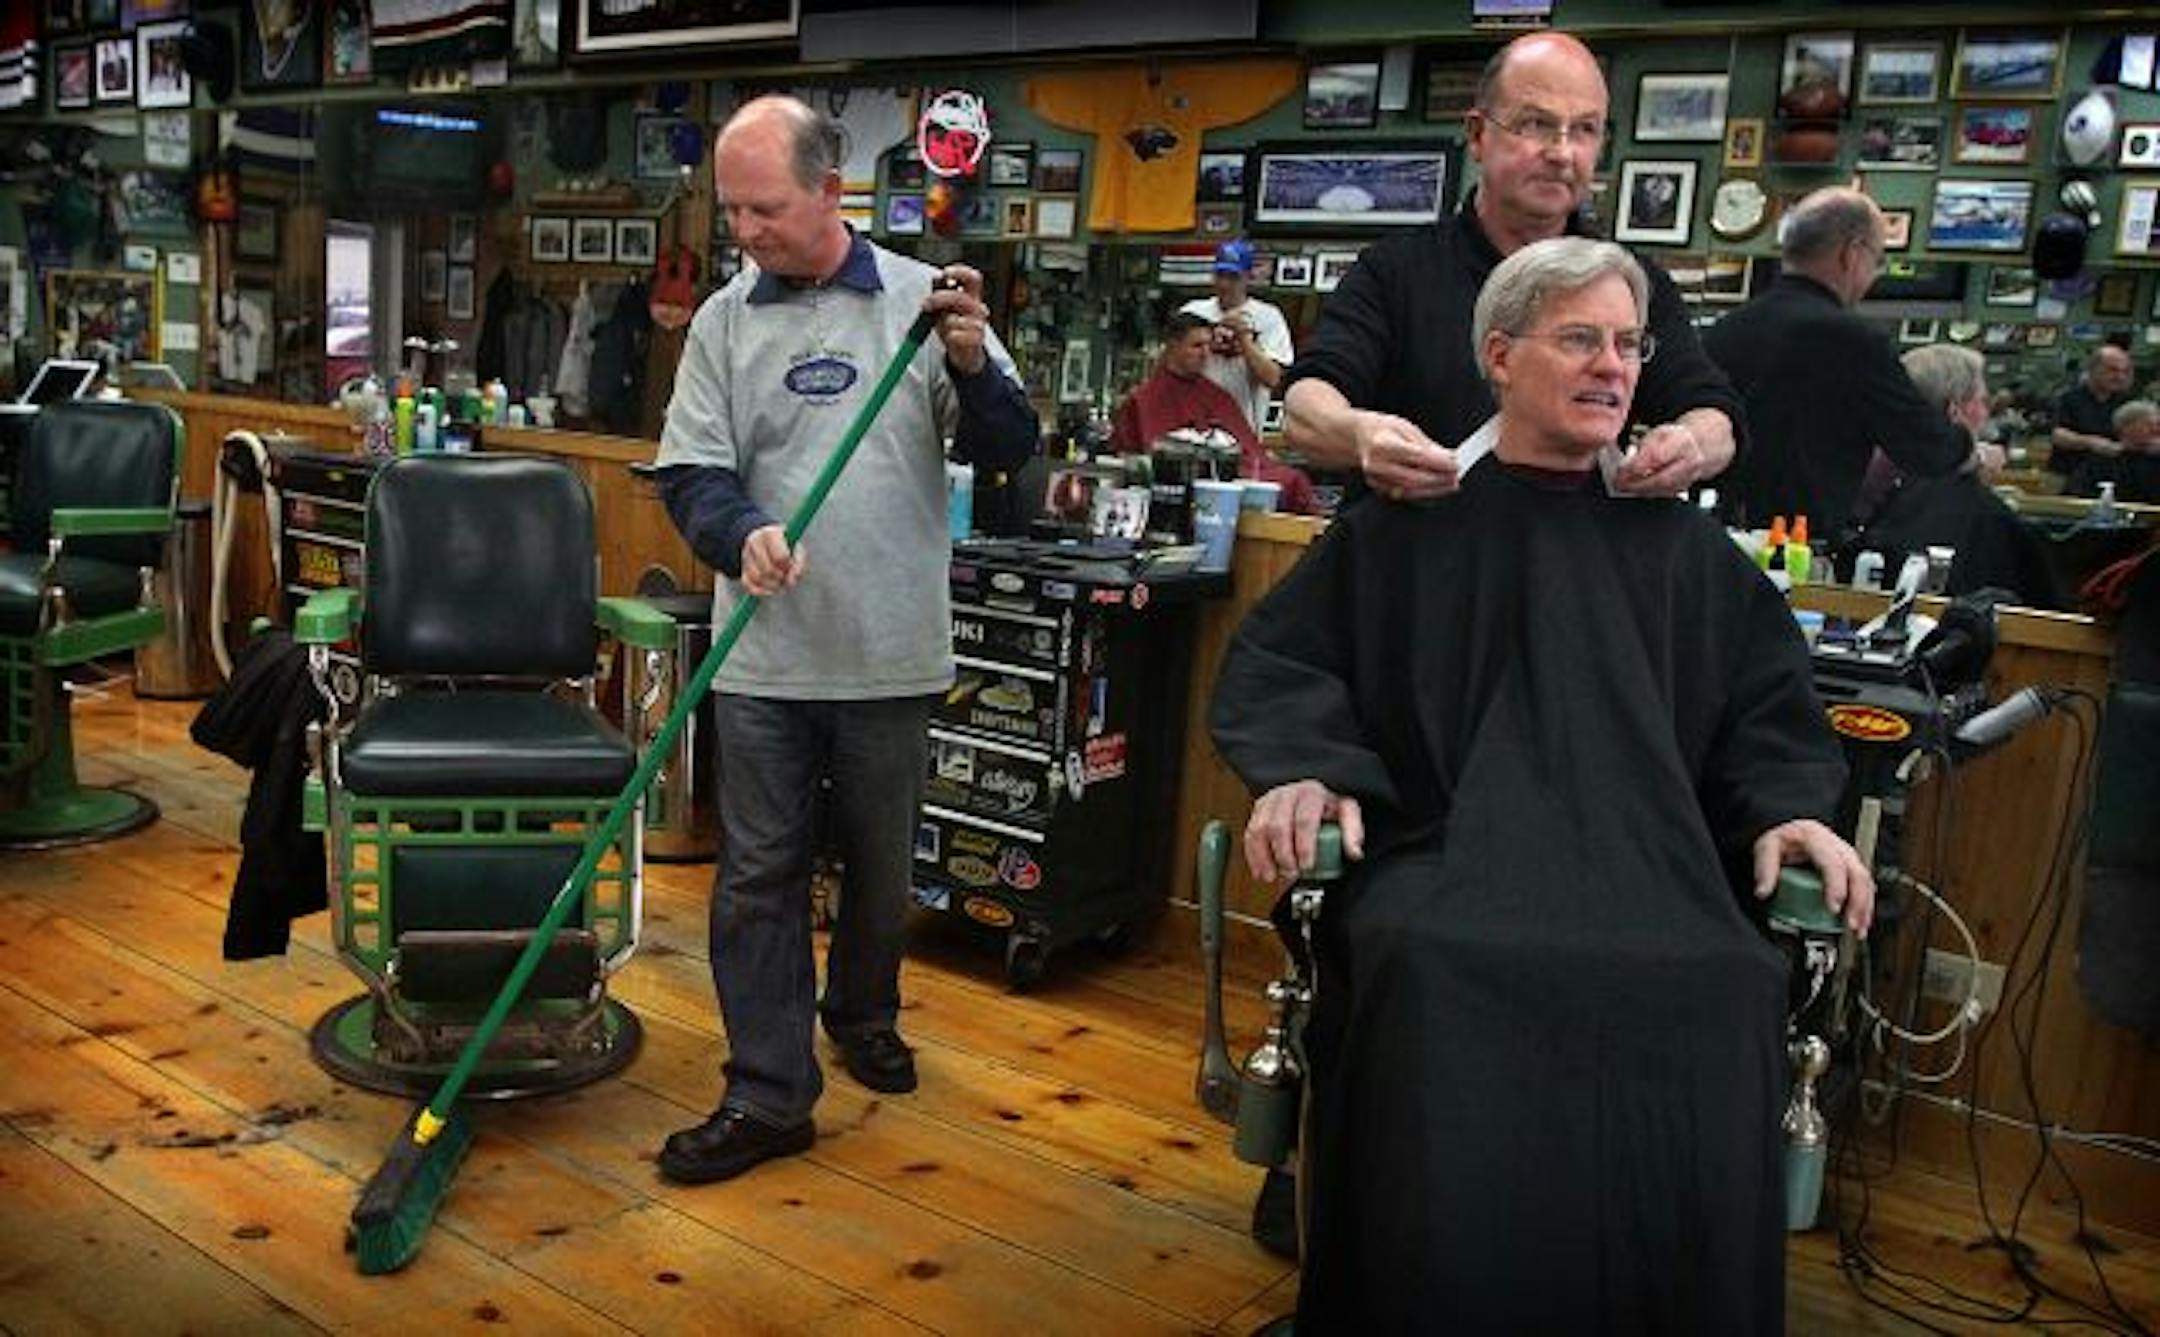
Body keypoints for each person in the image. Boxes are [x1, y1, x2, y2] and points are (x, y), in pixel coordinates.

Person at [1211, 237, 1874, 1330]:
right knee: (1430, 969)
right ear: (1500, 355)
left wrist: (1792, 807)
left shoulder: (1684, 552)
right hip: (1445, 862)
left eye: (1629, 344)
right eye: (1580, 340)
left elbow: (1767, 703)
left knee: (1726, 986)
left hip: (1653, 873)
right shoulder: (1404, 529)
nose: (1614, 366)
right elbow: (1290, 664)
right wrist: (1307, 769)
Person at [650, 94, 1038, 1186]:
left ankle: (863, 1012)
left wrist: (974, 366)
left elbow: (1011, 448)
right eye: (730, 210)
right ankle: (768, 1092)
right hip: (763, 653)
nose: (744, 232)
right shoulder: (725, 318)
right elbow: (690, 473)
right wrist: (740, 533)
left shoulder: (926, 304)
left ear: (831, 190)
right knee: (758, 874)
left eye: (764, 208)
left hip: (889, 650)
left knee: (877, 863)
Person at [1281, 31, 1742, 504]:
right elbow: (1306, 405)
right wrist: (1359, 434)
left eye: (1584, 129)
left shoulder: (1630, 286)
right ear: (1478, 134)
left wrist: (1692, 444)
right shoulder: (1394, 272)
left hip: (1571, 547)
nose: (1562, 153)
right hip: (1411, 542)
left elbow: (1712, 413)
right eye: (1536, 124)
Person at [1704, 187, 1976, 540]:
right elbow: (1924, 447)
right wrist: (1971, 450)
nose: (1874, 275)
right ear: (1852, 253)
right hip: (1795, 544)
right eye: (1878, 260)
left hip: (1712, 533)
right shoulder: (1855, 341)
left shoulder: (1726, 329)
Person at [1850, 345, 2064, 609]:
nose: (1986, 413)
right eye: (1982, 401)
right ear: (1955, 412)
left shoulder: (1863, 466)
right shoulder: (1980, 511)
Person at [1109, 310, 1316, 513]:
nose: (1205, 353)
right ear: (1173, 346)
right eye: (1197, 346)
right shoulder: (1145, 399)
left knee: (1293, 478)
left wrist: (1261, 459)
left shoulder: (1216, 395)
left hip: (1231, 470)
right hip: (1180, 480)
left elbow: (1248, 450)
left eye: (1209, 346)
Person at [1179, 239, 1294, 438]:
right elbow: (1172, 369)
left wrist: (1244, 339)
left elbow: (1273, 379)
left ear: (1248, 277)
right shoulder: (1193, 312)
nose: (1225, 284)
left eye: (1233, 277)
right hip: (1192, 429)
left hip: (1242, 434)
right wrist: (1207, 342)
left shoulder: (1268, 317)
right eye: (1220, 275)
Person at [2051, 344, 2135, 492]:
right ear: (2093, 369)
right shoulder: (2069, 398)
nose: (2120, 377)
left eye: (2125, 371)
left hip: (2115, 475)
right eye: (2113, 370)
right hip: (2069, 473)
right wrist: (2092, 443)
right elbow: (2059, 435)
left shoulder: (2128, 402)